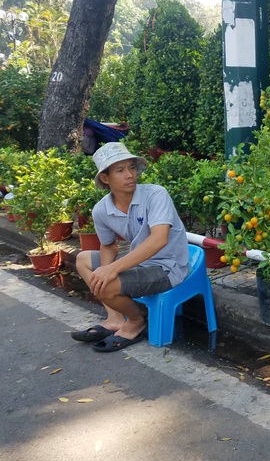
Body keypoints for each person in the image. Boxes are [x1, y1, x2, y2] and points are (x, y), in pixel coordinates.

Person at [71, 142, 189, 352]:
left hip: (167, 267)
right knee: (83, 260)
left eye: (132, 168)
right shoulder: (101, 210)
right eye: (120, 170)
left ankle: (135, 321)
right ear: (105, 178)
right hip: (139, 262)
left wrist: (112, 271)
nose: (130, 175)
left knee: (107, 283)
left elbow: (159, 239)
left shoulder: (156, 194)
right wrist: (103, 272)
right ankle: (115, 317)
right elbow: (108, 246)